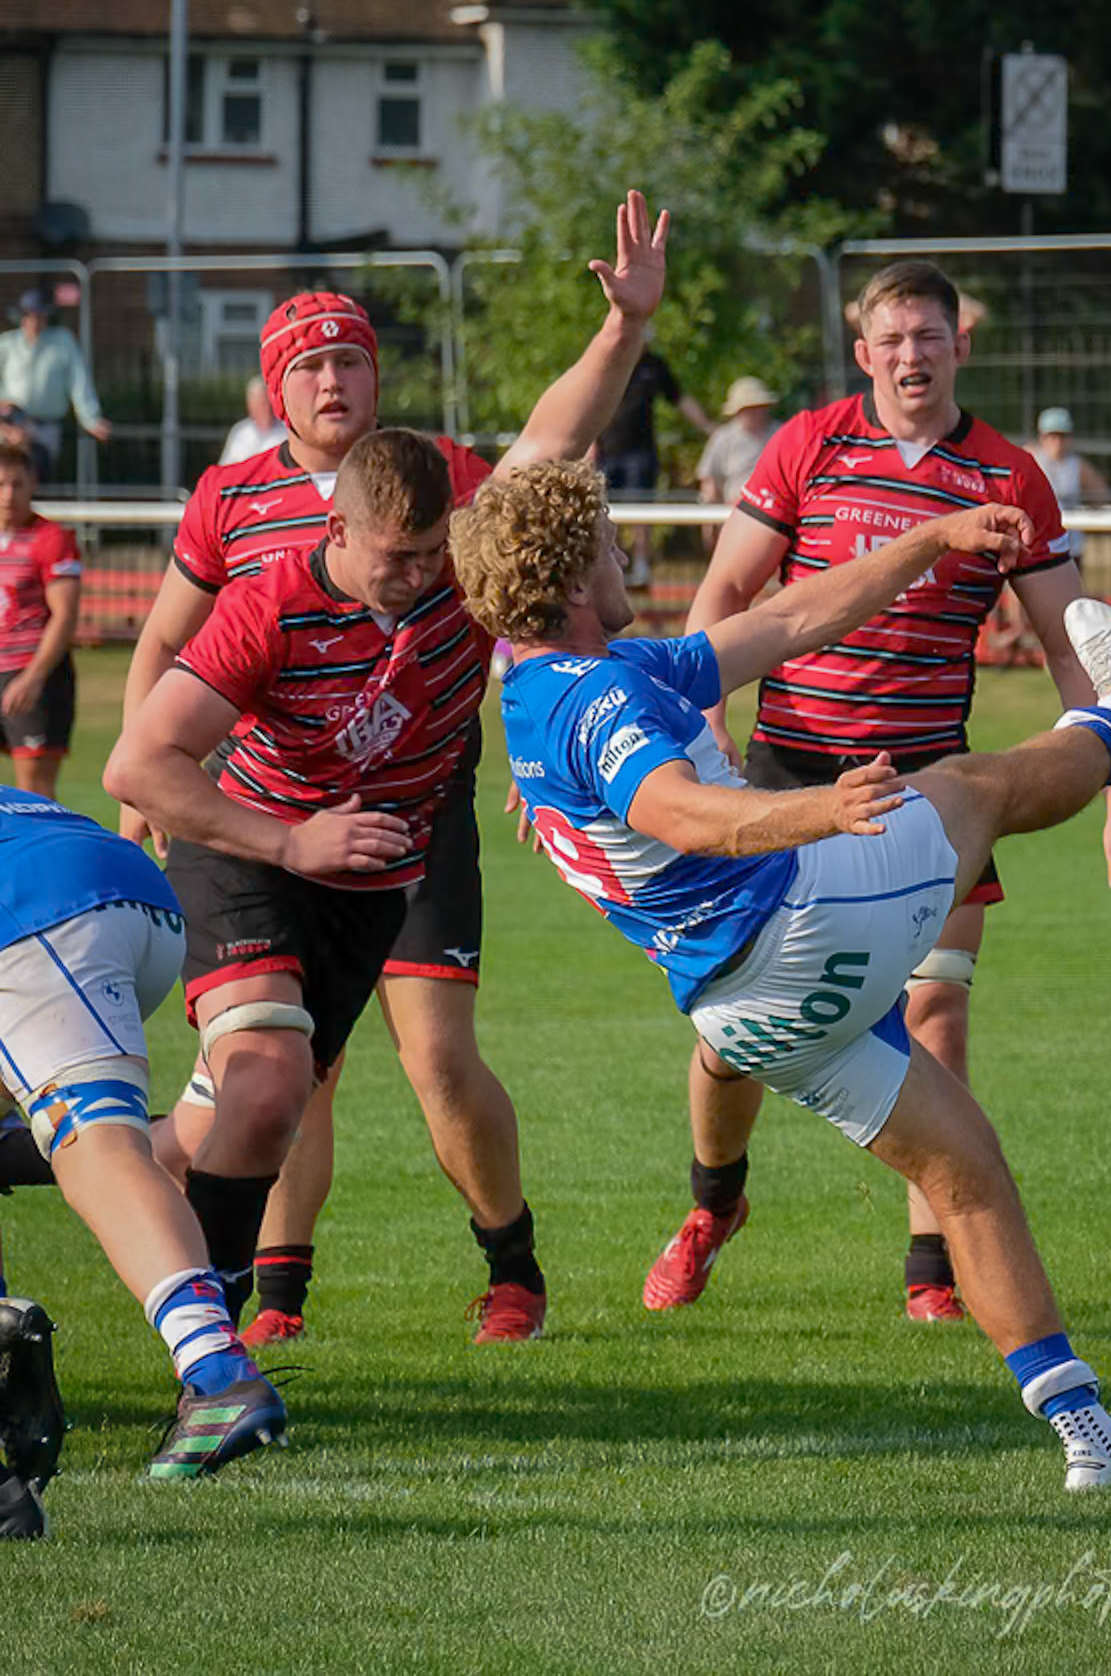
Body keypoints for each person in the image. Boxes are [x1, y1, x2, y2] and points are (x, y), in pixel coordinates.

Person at [449, 459, 1111, 1492]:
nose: (627, 556)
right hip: (793, 929)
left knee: (962, 1165)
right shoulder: (601, 693)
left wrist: (930, 540)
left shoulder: (549, 684)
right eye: (611, 545)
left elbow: (789, 619)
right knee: (974, 785)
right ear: (574, 581)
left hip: (743, 1014)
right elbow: (677, 812)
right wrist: (816, 809)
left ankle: (1087, 1434)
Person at [110, 189, 669, 1349]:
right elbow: (161, 673)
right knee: (273, 1077)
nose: (332, 380)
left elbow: (550, 445)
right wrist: (160, 800)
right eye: (307, 365)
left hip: (410, 823)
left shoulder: (448, 491)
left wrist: (621, 330)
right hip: (268, 819)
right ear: (277, 394)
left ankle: (507, 1264)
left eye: (350, 360)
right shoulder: (242, 527)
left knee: (422, 1056)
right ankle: (249, 1311)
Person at [667, 261, 1111, 1324]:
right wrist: (701, 720)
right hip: (790, 775)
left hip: (929, 788)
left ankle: (931, 1270)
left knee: (933, 1012)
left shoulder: (1006, 475)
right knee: (728, 1033)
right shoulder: (803, 444)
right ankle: (715, 1201)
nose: (909, 354)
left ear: (958, 346)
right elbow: (722, 595)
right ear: (861, 351)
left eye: (927, 336)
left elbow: (1076, 647)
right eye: (889, 337)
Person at [0, 790, 286, 1537]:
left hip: (38, 912)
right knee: (88, 1133)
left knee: (93, 1140)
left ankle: (217, 1372)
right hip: (127, 895)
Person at [0, 441, 82, 800]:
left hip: (33, 676)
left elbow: (65, 614)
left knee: (34, 793)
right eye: (1, 484)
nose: (8, 495)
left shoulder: (51, 539)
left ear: (33, 484)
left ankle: (42, 856)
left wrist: (33, 677)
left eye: (17, 484)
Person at [595, 342, 712, 588]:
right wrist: (588, 444)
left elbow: (679, 398)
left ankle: (640, 567)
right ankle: (604, 566)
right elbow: (590, 403)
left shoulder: (655, 365)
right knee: (600, 512)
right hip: (606, 451)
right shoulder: (607, 360)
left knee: (641, 511)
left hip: (641, 452)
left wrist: (708, 428)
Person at [0, 290, 110, 483]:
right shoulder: (6, 344)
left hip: (44, 430)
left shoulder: (63, 341)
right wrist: (7, 428)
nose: (35, 322)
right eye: (29, 316)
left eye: (40, 316)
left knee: (32, 475)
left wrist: (90, 418)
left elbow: (78, 380)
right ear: (21, 317)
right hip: (7, 426)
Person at [1028, 406, 1110, 563]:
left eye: (1063, 437)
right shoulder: (1031, 460)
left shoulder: (1077, 466)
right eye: (1052, 436)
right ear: (1042, 438)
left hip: (1070, 545)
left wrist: (1092, 515)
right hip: (1038, 544)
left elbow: (1101, 495)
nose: (1057, 443)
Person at [696, 377, 780, 514]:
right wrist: (710, 515)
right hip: (735, 511)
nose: (755, 413)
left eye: (758, 407)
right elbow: (708, 480)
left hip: (777, 511)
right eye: (749, 408)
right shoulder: (723, 438)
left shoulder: (782, 434)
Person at [219, 376, 285, 466]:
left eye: (269, 403)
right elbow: (225, 466)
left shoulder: (286, 432)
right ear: (250, 405)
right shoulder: (240, 432)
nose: (267, 409)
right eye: (262, 403)